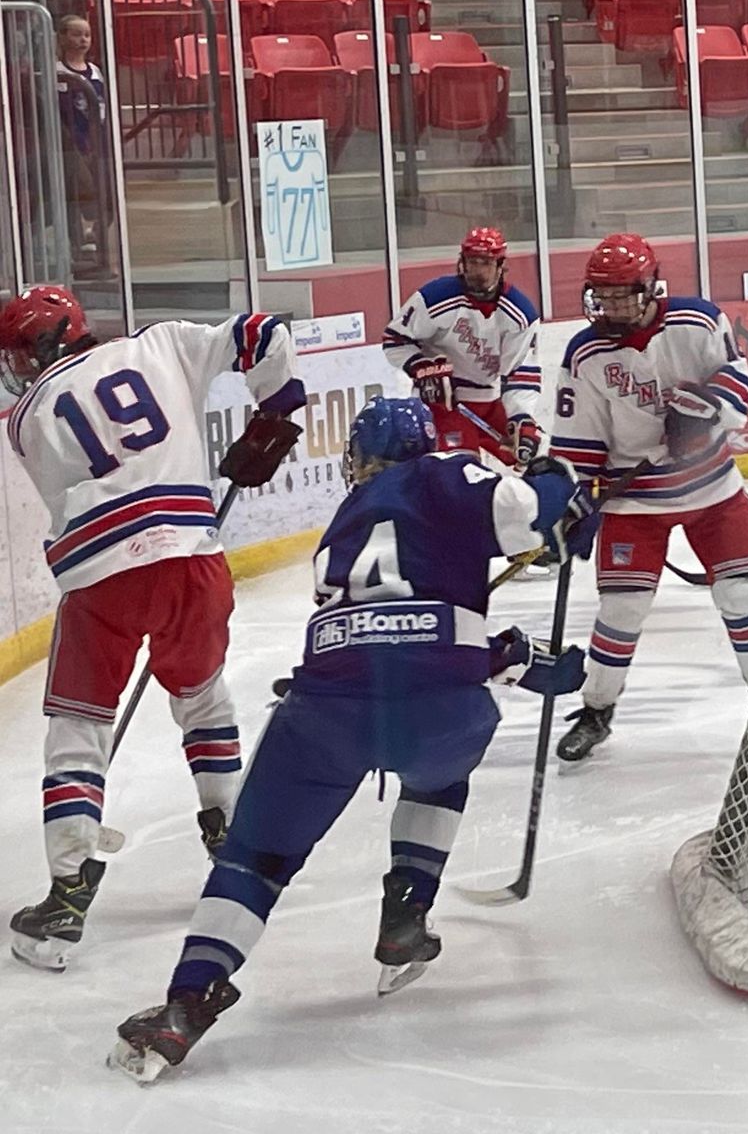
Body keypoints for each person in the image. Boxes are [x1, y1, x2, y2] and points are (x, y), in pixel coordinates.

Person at [106, 397, 597, 1085]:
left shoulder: (343, 521)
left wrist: (512, 648)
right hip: (442, 713)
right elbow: (521, 525)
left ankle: (187, 1003)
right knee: (438, 777)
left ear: (363, 459)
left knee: (252, 860)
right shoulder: (444, 472)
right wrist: (557, 486)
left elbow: (389, 634)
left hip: (324, 713)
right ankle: (407, 912)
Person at [1, 285, 306, 970]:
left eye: (20, 354)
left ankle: (69, 888)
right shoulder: (163, 342)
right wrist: (276, 409)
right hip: (192, 562)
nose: (16, 368)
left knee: (78, 728)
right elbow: (265, 331)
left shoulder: (25, 417)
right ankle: (230, 837)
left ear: (44, 347)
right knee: (203, 698)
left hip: (101, 577)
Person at [548, 233, 748, 761]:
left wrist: (704, 411)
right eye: (602, 296)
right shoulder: (585, 353)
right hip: (635, 501)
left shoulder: (698, 321)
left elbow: (737, 378)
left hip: (712, 490)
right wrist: (572, 502)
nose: (611, 306)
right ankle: (597, 710)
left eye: (622, 294)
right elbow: (580, 439)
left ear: (650, 287)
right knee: (621, 608)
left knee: (740, 597)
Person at [380, 227, 543, 464]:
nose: (478, 271)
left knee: (530, 456)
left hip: (490, 401)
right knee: (460, 470)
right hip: (443, 404)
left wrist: (521, 417)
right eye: (472, 262)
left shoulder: (520, 315)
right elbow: (394, 339)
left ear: (500, 266)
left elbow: (519, 372)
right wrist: (421, 367)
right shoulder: (435, 297)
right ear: (462, 263)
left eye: (486, 263)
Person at [54, 15, 107, 261]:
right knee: (81, 190)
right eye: (76, 34)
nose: (83, 40)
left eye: (87, 35)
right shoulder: (57, 71)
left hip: (97, 141)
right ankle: (80, 238)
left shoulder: (95, 72)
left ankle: (94, 234)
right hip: (72, 144)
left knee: (104, 189)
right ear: (62, 37)